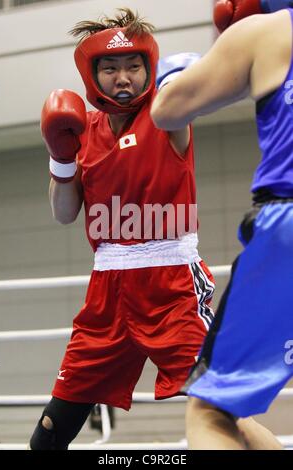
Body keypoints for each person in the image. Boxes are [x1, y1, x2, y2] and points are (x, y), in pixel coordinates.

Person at [29, 8, 216, 450]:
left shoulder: (167, 111)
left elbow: (203, 82)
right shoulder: (80, 130)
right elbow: (63, 213)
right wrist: (60, 157)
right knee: (51, 432)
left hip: (171, 285)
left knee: (217, 410)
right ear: (92, 74)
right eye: (110, 68)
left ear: (149, 67)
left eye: (133, 65)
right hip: (107, 289)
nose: (123, 77)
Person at [151, 0, 293, 450]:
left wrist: (178, 74)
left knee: (212, 410)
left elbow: (167, 110)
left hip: (287, 227)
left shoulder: (269, 30)